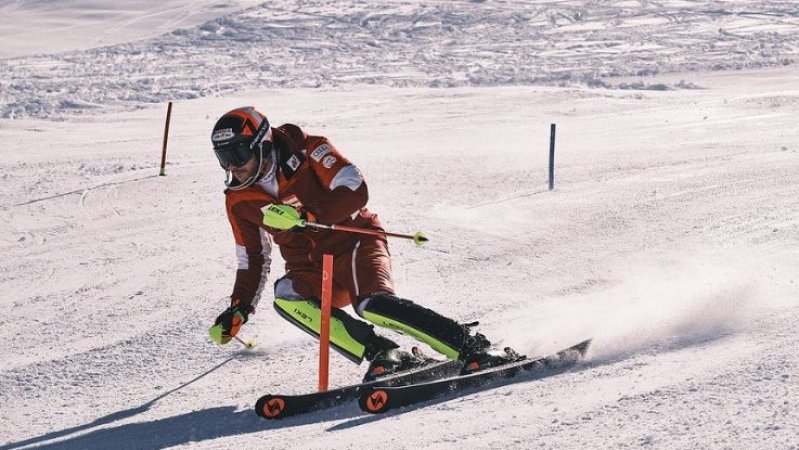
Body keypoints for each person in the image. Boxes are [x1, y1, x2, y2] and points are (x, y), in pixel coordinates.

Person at [208, 106, 519, 381]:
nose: (233, 167)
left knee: (372, 305)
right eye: (224, 158)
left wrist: (307, 214)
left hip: (355, 244)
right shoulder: (239, 200)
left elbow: (355, 187)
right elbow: (253, 259)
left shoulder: (309, 149)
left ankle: (471, 345)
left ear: (262, 144)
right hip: (313, 268)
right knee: (286, 295)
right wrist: (240, 308)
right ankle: (385, 353)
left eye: (238, 155)